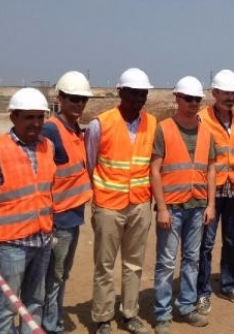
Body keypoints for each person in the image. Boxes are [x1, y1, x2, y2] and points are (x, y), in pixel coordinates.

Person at [0, 87, 55, 333]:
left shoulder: (48, 146)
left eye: (40, 117)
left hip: (41, 240)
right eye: (29, 117)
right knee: (6, 307)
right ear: (13, 117)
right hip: (11, 246)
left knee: (35, 302)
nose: (36, 123)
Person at [86, 68, 156, 334]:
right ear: (120, 92)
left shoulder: (152, 124)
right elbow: (90, 163)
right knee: (104, 264)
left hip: (140, 204)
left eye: (143, 93)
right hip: (108, 205)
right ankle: (103, 317)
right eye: (133, 93)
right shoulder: (100, 124)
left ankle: (130, 313)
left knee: (133, 264)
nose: (139, 98)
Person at [151, 76, 216, 334]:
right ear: (177, 98)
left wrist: (211, 205)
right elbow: (155, 170)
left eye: (196, 99)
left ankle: (186, 306)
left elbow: (211, 170)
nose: (192, 103)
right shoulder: (164, 129)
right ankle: (162, 314)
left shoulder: (206, 133)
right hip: (172, 208)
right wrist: (162, 208)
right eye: (188, 98)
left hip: (197, 206)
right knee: (166, 262)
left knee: (192, 259)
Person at [42, 71, 94, 334]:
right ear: (60, 98)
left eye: (83, 99)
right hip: (57, 219)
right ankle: (50, 325)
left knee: (60, 275)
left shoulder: (76, 130)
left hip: (72, 216)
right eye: (74, 98)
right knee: (54, 276)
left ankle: (52, 322)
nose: (79, 104)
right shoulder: (51, 130)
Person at [197, 69, 234, 313]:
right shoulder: (201, 119)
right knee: (206, 243)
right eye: (225, 93)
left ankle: (228, 284)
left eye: (233, 93)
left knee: (231, 240)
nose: (230, 97)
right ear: (214, 93)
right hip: (211, 190)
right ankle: (202, 291)